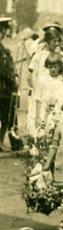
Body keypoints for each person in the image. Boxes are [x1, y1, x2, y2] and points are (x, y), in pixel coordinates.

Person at [0, 17, 17, 149]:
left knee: (5, 116)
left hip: (5, 89)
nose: (3, 34)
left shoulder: (4, 49)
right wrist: (12, 78)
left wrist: (14, 72)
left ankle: (0, 141)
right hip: (2, 86)